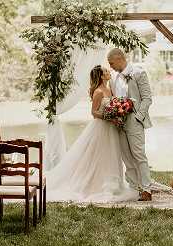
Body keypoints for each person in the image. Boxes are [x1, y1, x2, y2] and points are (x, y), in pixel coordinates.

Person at [46, 65, 137, 203]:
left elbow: (113, 105)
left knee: (111, 155)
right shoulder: (98, 92)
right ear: (101, 76)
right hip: (101, 128)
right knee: (99, 155)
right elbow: (94, 112)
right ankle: (95, 185)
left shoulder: (109, 89)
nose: (108, 72)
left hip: (111, 128)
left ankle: (113, 184)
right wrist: (109, 117)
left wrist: (118, 114)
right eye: (106, 71)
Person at [108, 48, 154, 201]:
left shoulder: (138, 73)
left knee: (138, 154)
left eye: (111, 63)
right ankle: (134, 188)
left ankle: (147, 189)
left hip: (134, 120)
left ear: (119, 58)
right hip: (120, 121)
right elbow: (115, 98)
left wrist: (138, 117)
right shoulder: (114, 78)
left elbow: (147, 98)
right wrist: (115, 114)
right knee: (126, 156)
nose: (110, 66)